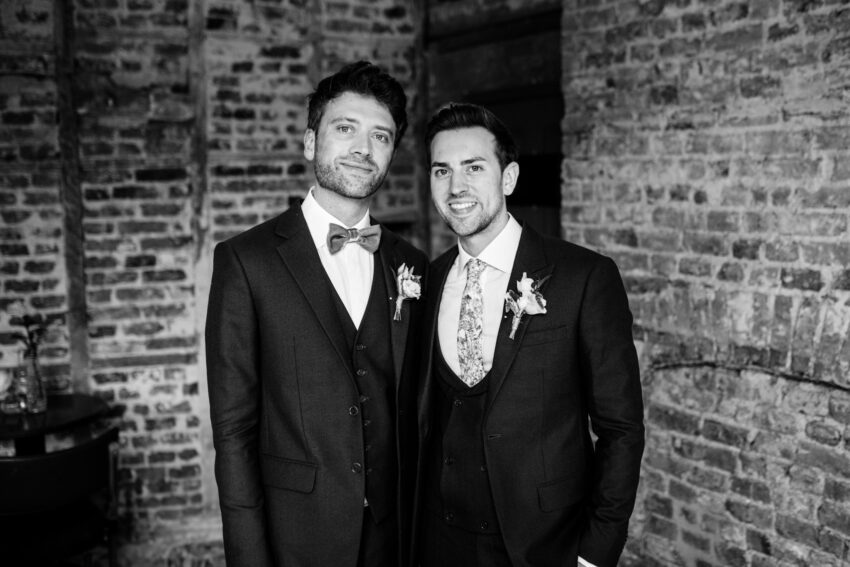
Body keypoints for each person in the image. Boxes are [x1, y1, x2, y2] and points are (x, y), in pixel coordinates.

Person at [206, 61, 428, 567]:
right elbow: (234, 431)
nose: (362, 149)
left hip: (394, 536)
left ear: (392, 153)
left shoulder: (410, 263)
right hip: (297, 534)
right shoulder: (246, 261)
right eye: (345, 129)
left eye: (381, 136)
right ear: (311, 143)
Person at [414, 102, 645, 567]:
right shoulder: (426, 282)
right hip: (438, 543)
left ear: (509, 178)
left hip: (543, 545)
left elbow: (621, 429)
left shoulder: (583, 277)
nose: (456, 187)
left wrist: (595, 553)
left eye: (474, 167)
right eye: (442, 171)